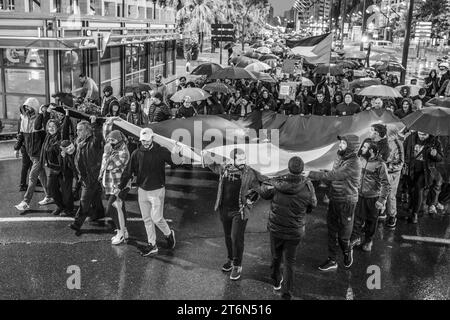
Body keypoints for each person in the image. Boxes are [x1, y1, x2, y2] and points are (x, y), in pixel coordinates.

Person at [259, 156, 317, 300]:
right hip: (295, 230)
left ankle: (276, 280)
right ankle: (287, 293)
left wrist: (268, 180)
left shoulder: (278, 183)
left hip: (276, 229)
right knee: (290, 262)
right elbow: (312, 205)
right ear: (302, 170)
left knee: (275, 257)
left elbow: (264, 193)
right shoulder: (308, 185)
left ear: (289, 168)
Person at [117, 128, 180, 256]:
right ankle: (152, 245)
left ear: (152, 138)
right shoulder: (136, 153)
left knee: (157, 218)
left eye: (147, 140)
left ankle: (168, 234)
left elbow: (174, 163)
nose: (144, 143)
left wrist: (176, 153)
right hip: (142, 191)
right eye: (142, 141)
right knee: (147, 219)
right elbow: (128, 172)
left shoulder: (161, 151)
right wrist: (120, 186)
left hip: (157, 190)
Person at [304, 135, 362, 271]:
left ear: (351, 146)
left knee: (343, 237)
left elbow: (334, 175)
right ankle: (332, 260)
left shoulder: (354, 162)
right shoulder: (340, 156)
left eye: (343, 143)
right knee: (331, 231)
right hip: (335, 199)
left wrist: (311, 174)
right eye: (340, 142)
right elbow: (333, 174)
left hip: (347, 202)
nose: (340, 145)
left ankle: (347, 251)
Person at [206, 148, 260, 280]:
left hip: (239, 211)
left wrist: (252, 198)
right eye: (239, 159)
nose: (243, 162)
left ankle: (237, 265)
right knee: (228, 237)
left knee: (236, 238)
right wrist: (206, 154)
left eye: (244, 159)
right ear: (232, 160)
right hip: (224, 209)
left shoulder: (249, 172)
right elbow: (211, 165)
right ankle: (230, 260)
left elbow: (257, 189)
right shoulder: (224, 168)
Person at [350, 139, 391, 252]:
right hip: (360, 196)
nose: (362, 149)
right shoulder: (361, 159)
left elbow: (386, 184)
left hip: (373, 199)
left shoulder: (380, 164)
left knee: (371, 222)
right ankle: (355, 238)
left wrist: (381, 200)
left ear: (371, 150)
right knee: (357, 220)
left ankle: (368, 241)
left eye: (364, 147)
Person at [69, 115, 105, 234]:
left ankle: (77, 223)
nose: (77, 132)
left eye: (80, 130)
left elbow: (99, 136)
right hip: (83, 176)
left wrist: (94, 124)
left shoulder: (93, 142)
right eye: (77, 129)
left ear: (87, 131)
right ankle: (99, 212)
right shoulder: (79, 141)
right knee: (94, 196)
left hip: (91, 176)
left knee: (84, 200)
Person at [15, 100, 52, 212]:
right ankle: (49, 196)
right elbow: (21, 135)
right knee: (42, 176)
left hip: (39, 154)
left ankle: (26, 201)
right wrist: (16, 148)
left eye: (29, 107)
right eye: (26, 107)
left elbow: (46, 132)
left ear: (34, 107)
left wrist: (44, 114)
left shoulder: (40, 119)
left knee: (32, 177)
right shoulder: (24, 119)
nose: (27, 109)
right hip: (30, 153)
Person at [403, 131, 444, 223]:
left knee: (418, 189)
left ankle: (415, 214)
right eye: (420, 134)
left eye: (424, 135)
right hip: (411, 169)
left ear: (429, 133)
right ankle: (411, 205)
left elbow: (440, 158)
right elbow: (404, 150)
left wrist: (435, 155)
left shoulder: (435, 141)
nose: (421, 136)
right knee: (411, 189)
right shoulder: (411, 138)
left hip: (426, 171)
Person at [99, 129, 130, 245]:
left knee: (111, 209)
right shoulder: (111, 149)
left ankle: (121, 233)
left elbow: (119, 164)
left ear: (119, 140)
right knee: (120, 208)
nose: (110, 142)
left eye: (113, 140)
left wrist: (108, 154)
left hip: (119, 185)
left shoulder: (124, 151)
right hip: (108, 183)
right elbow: (104, 164)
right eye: (109, 140)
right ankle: (123, 230)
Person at [384, 125, 405, 228]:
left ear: (394, 135)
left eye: (388, 136)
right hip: (382, 172)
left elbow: (400, 163)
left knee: (391, 195)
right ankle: (382, 211)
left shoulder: (398, 144)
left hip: (393, 174)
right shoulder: (383, 141)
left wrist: (387, 167)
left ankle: (392, 215)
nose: (387, 138)